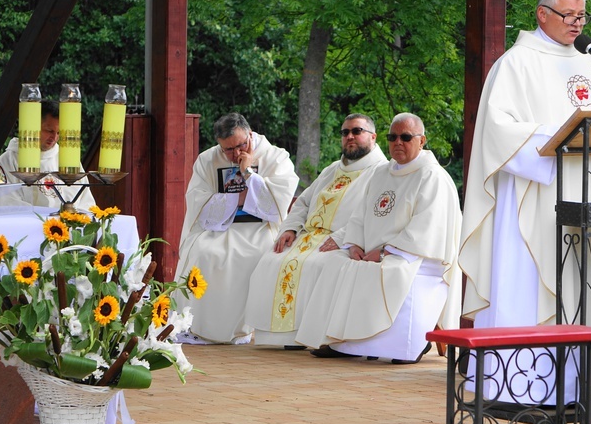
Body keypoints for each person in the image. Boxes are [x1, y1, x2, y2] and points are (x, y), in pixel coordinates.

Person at [459, 0, 591, 401]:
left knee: (590, 290)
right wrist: (555, 136)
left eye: (582, 15)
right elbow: (498, 132)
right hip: (537, 199)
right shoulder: (515, 64)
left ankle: (590, 388)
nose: (578, 24)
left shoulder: (588, 66)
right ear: (543, 13)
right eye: (569, 15)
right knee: (537, 287)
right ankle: (524, 391)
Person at [295, 113, 462, 363]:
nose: (398, 142)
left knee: (391, 270)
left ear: (422, 140)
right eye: (392, 137)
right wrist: (354, 246)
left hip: (415, 255)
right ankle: (339, 341)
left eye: (406, 137)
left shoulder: (432, 176)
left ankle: (407, 347)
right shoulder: (380, 173)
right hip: (372, 251)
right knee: (335, 263)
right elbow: (359, 216)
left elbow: (426, 228)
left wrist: (386, 252)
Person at [245, 114, 388, 347]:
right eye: (345, 132)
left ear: (373, 136)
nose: (350, 136)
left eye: (357, 131)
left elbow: (370, 212)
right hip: (308, 236)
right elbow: (303, 201)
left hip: (345, 240)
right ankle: (278, 338)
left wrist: (343, 238)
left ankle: (310, 337)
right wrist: (290, 229)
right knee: (270, 260)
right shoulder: (332, 169)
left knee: (315, 265)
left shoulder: (381, 172)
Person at [174, 112, 298, 344]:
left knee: (257, 253)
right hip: (219, 228)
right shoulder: (208, 159)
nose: (236, 154)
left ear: (250, 135)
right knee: (204, 252)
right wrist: (239, 198)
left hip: (261, 229)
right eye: (227, 150)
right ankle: (201, 328)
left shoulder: (276, 157)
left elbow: (277, 203)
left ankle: (246, 329)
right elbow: (198, 201)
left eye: (241, 146)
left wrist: (249, 173)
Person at [0, 99, 96, 210]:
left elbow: (86, 203)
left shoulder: (68, 160)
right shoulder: (7, 161)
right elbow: (2, 202)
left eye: (59, 132)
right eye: (49, 130)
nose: (55, 138)